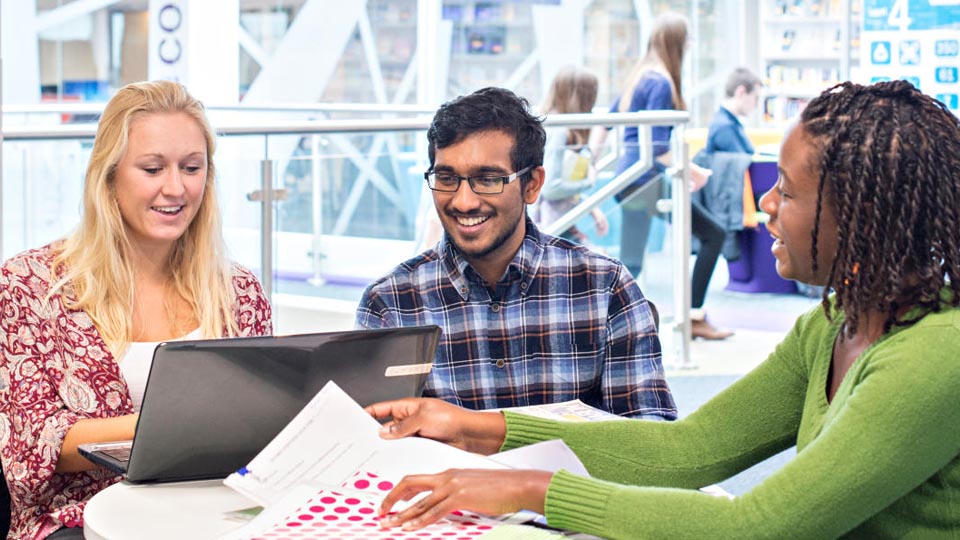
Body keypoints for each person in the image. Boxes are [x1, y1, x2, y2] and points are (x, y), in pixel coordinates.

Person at [367, 81, 960, 539]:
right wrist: (470, 425)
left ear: (859, 213)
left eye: (788, 189)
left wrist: (530, 488)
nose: (768, 205)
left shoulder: (936, 356)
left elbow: (756, 527)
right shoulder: (831, 323)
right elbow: (690, 450)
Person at [0, 81, 273, 540]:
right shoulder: (30, 286)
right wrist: (180, 424)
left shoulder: (238, 291)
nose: (176, 188)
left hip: (218, 513)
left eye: (192, 168)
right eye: (152, 168)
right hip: (79, 519)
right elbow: (30, 449)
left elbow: (262, 427)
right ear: (108, 176)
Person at [355, 87, 675, 419]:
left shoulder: (604, 287)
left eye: (489, 179)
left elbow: (650, 439)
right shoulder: (390, 303)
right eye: (446, 178)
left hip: (574, 474)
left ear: (533, 184)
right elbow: (373, 444)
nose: (463, 201)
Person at [686, 67, 765, 340]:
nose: (755, 106)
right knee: (714, 235)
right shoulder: (724, 127)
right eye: (755, 98)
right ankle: (693, 314)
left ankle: (694, 314)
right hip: (720, 199)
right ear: (741, 92)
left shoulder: (729, 124)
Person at [537, 65, 609, 244]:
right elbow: (550, 189)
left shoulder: (563, 129)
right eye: (590, 97)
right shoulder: (559, 131)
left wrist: (590, 207)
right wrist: (587, 183)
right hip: (550, 227)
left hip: (559, 223)